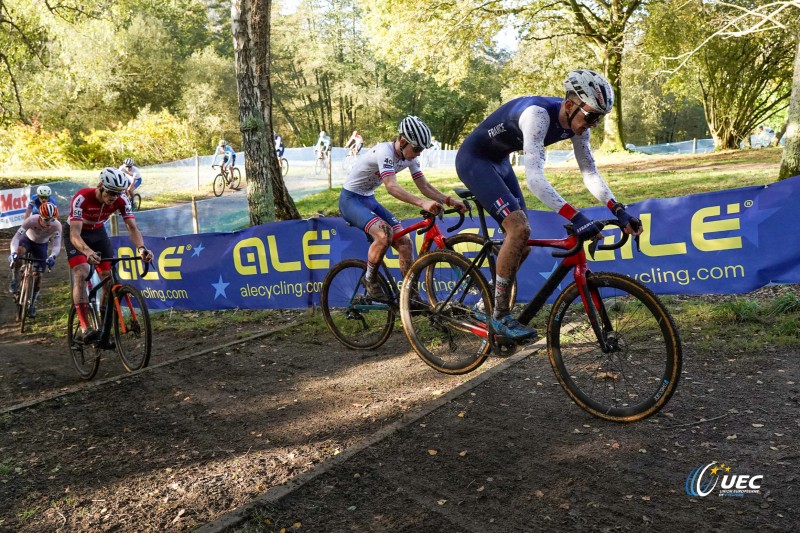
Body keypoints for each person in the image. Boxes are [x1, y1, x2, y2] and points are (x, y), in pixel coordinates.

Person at [455, 69, 642, 341]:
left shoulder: (579, 124)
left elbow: (589, 173)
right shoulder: (537, 115)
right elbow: (534, 179)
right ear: (569, 104)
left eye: (599, 119)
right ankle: (500, 316)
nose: (592, 123)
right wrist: (577, 218)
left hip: (499, 161)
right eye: (590, 115)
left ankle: (487, 304)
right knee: (519, 229)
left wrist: (618, 209)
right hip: (475, 160)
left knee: (524, 245)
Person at [338, 115, 467, 299]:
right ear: (404, 141)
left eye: (422, 149)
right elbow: (391, 187)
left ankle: (409, 296)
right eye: (417, 148)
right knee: (384, 235)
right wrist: (422, 203)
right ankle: (369, 280)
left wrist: (448, 200)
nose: (419, 153)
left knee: (405, 243)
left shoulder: (410, 157)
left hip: (368, 199)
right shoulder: (384, 151)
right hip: (350, 200)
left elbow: (424, 186)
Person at [65, 168, 153, 346]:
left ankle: (104, 330)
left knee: (108, 280)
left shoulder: (121, 200)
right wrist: (87, 251)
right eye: (111, 192)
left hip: (98, 233)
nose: (114, 197)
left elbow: (132, 227)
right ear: (101, 187)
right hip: (77, 234)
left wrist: (141, 248)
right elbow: (74, 234)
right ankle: (85, 328)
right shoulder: (82, 197)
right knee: (81, 273)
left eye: (118, 193)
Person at [8, 202, 62, 316]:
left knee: (38, 276)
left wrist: (52, 256)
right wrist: (13, 253)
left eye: (52, 220)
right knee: (19, 253)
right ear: (40, 216)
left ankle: (32, 304)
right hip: (27, 240)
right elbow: (16, 238)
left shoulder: (57, 225)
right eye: (46, 220)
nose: (49, 223)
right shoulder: (31, 220)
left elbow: (57, 245)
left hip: (41, 245)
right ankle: (14, 278)